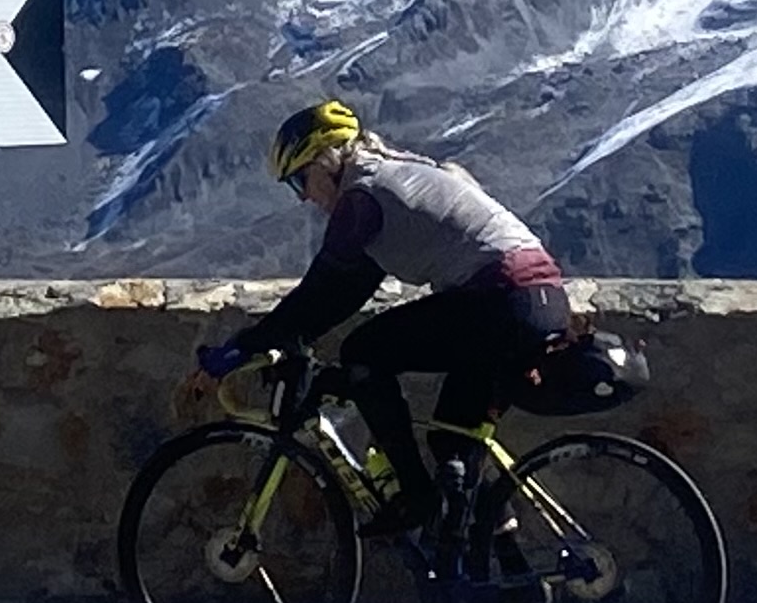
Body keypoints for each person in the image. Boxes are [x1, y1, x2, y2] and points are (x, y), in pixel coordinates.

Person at [195, 99, 570, 547]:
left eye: (300, 180)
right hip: (538, 300)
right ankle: (508, 580)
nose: (304, 197)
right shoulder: (393, 176)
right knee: (454, 441)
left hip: (499, 299)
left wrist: (243, 346)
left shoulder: (362, 196)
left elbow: (320, 292)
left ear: (328, 160)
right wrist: (281, 337)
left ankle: (415, 496)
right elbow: (346, 293)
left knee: (363, 353)